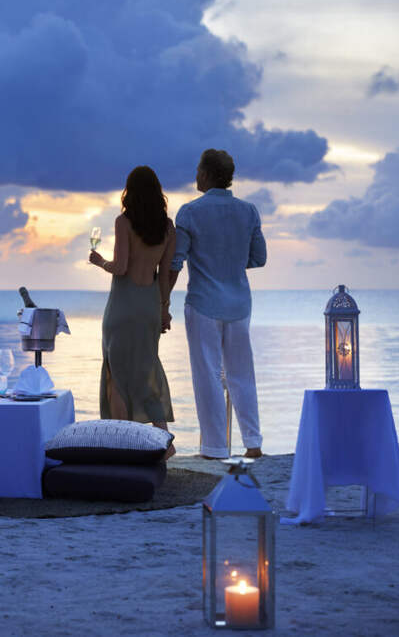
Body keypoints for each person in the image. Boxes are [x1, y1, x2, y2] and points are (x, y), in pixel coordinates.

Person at [169, 149, 266, 459]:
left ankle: (215, 448)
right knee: (242, 374)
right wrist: (231, 261)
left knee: (207, 376)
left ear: (207, 174)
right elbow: (259, 258)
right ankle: (253, 443)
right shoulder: (249, 211)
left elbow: (176, 261)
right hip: (239, 304)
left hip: (203, 304)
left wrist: (162, 300)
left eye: (199, 170)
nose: (196, 175)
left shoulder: (189, 212)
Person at [89, 166, 176, 456]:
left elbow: (121, 267)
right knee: (147, 372)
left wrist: (99, 261)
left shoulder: (123, 222)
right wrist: (164, 311)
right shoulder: (168, 227)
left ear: (130, 192)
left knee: (116, 375)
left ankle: (125, 443)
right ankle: (164, 441)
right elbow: (164, 277)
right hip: (149, 305)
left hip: (123, 306)